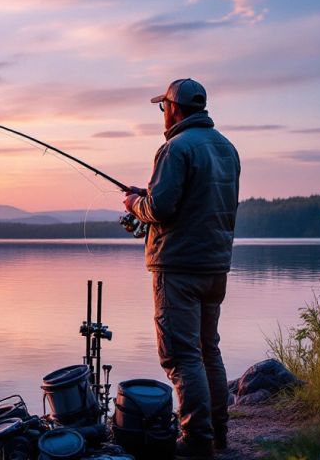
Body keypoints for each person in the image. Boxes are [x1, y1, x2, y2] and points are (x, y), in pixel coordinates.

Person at [123, 78, 240, 458]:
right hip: (215, 267)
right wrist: (149, 196)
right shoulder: (227, 149)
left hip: (178, 268)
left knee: (181, 356)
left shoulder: (174, 149)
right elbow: (195, 200)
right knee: (209, 351)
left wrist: (135, 204)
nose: (163, 114)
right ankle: (217, 434)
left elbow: (161, 209)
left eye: (164, 107)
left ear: (174, 108)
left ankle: (195, 442)